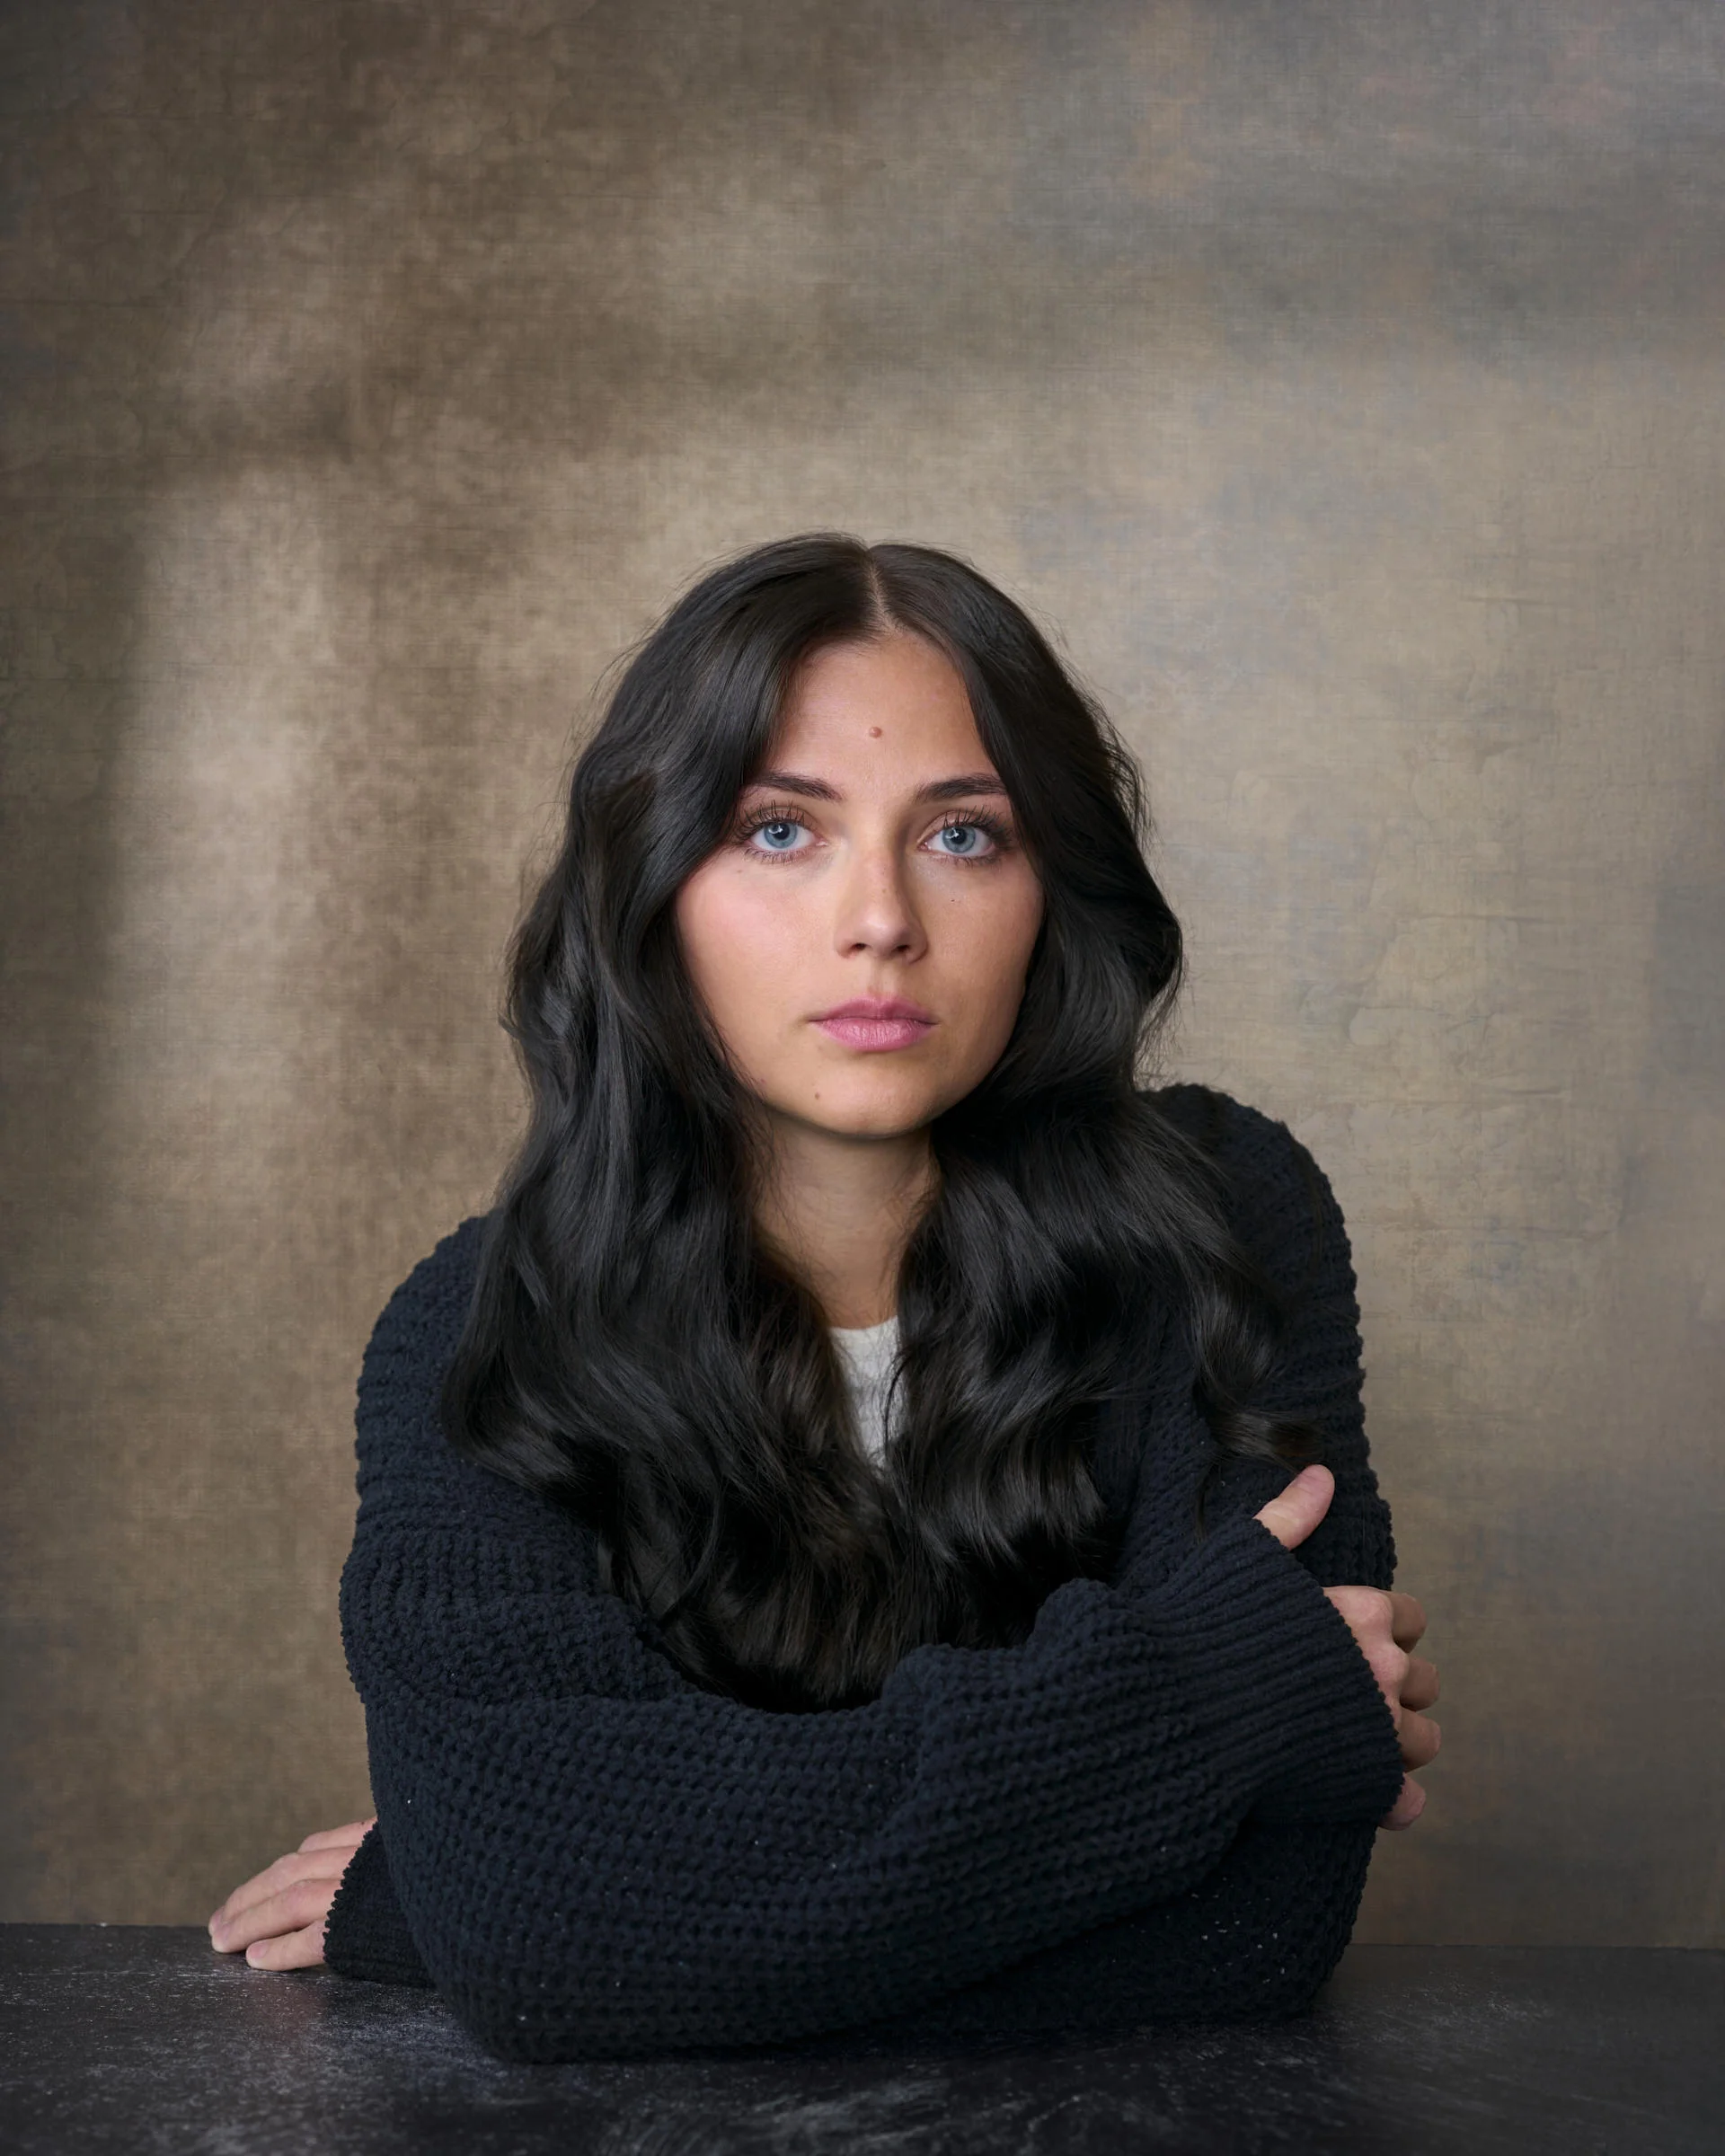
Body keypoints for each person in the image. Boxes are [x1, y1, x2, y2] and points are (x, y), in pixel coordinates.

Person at [207, 534, 1440, 2062]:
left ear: (1056, 887)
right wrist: (1203, 1700)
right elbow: (542, 1934)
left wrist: (523, 1920)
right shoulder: (479, 1334)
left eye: (965, 837)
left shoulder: (1227, 1221)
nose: (881, 920)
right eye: (781, 831)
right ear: (655, 882)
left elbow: (1253, 1933)